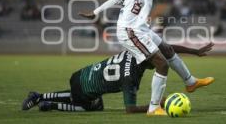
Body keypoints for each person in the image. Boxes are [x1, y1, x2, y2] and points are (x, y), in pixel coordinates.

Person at [78, 0, 214, 116]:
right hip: (129, 30)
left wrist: (95, 12)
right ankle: (153, 107)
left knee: (166, 49)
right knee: (162, 64)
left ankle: (190, 82)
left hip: (139, 27)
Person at [22, 43, 214, 113]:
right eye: (156, 62)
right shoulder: (130, 77)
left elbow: (166, 48)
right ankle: (48, 102)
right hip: (84, 88)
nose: (159, 63)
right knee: (90, 105)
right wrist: (157, 105)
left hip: (81, 74)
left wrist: (193, 51)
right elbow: (130, 110)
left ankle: (42, 98)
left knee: (87, 97)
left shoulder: (135, 51)